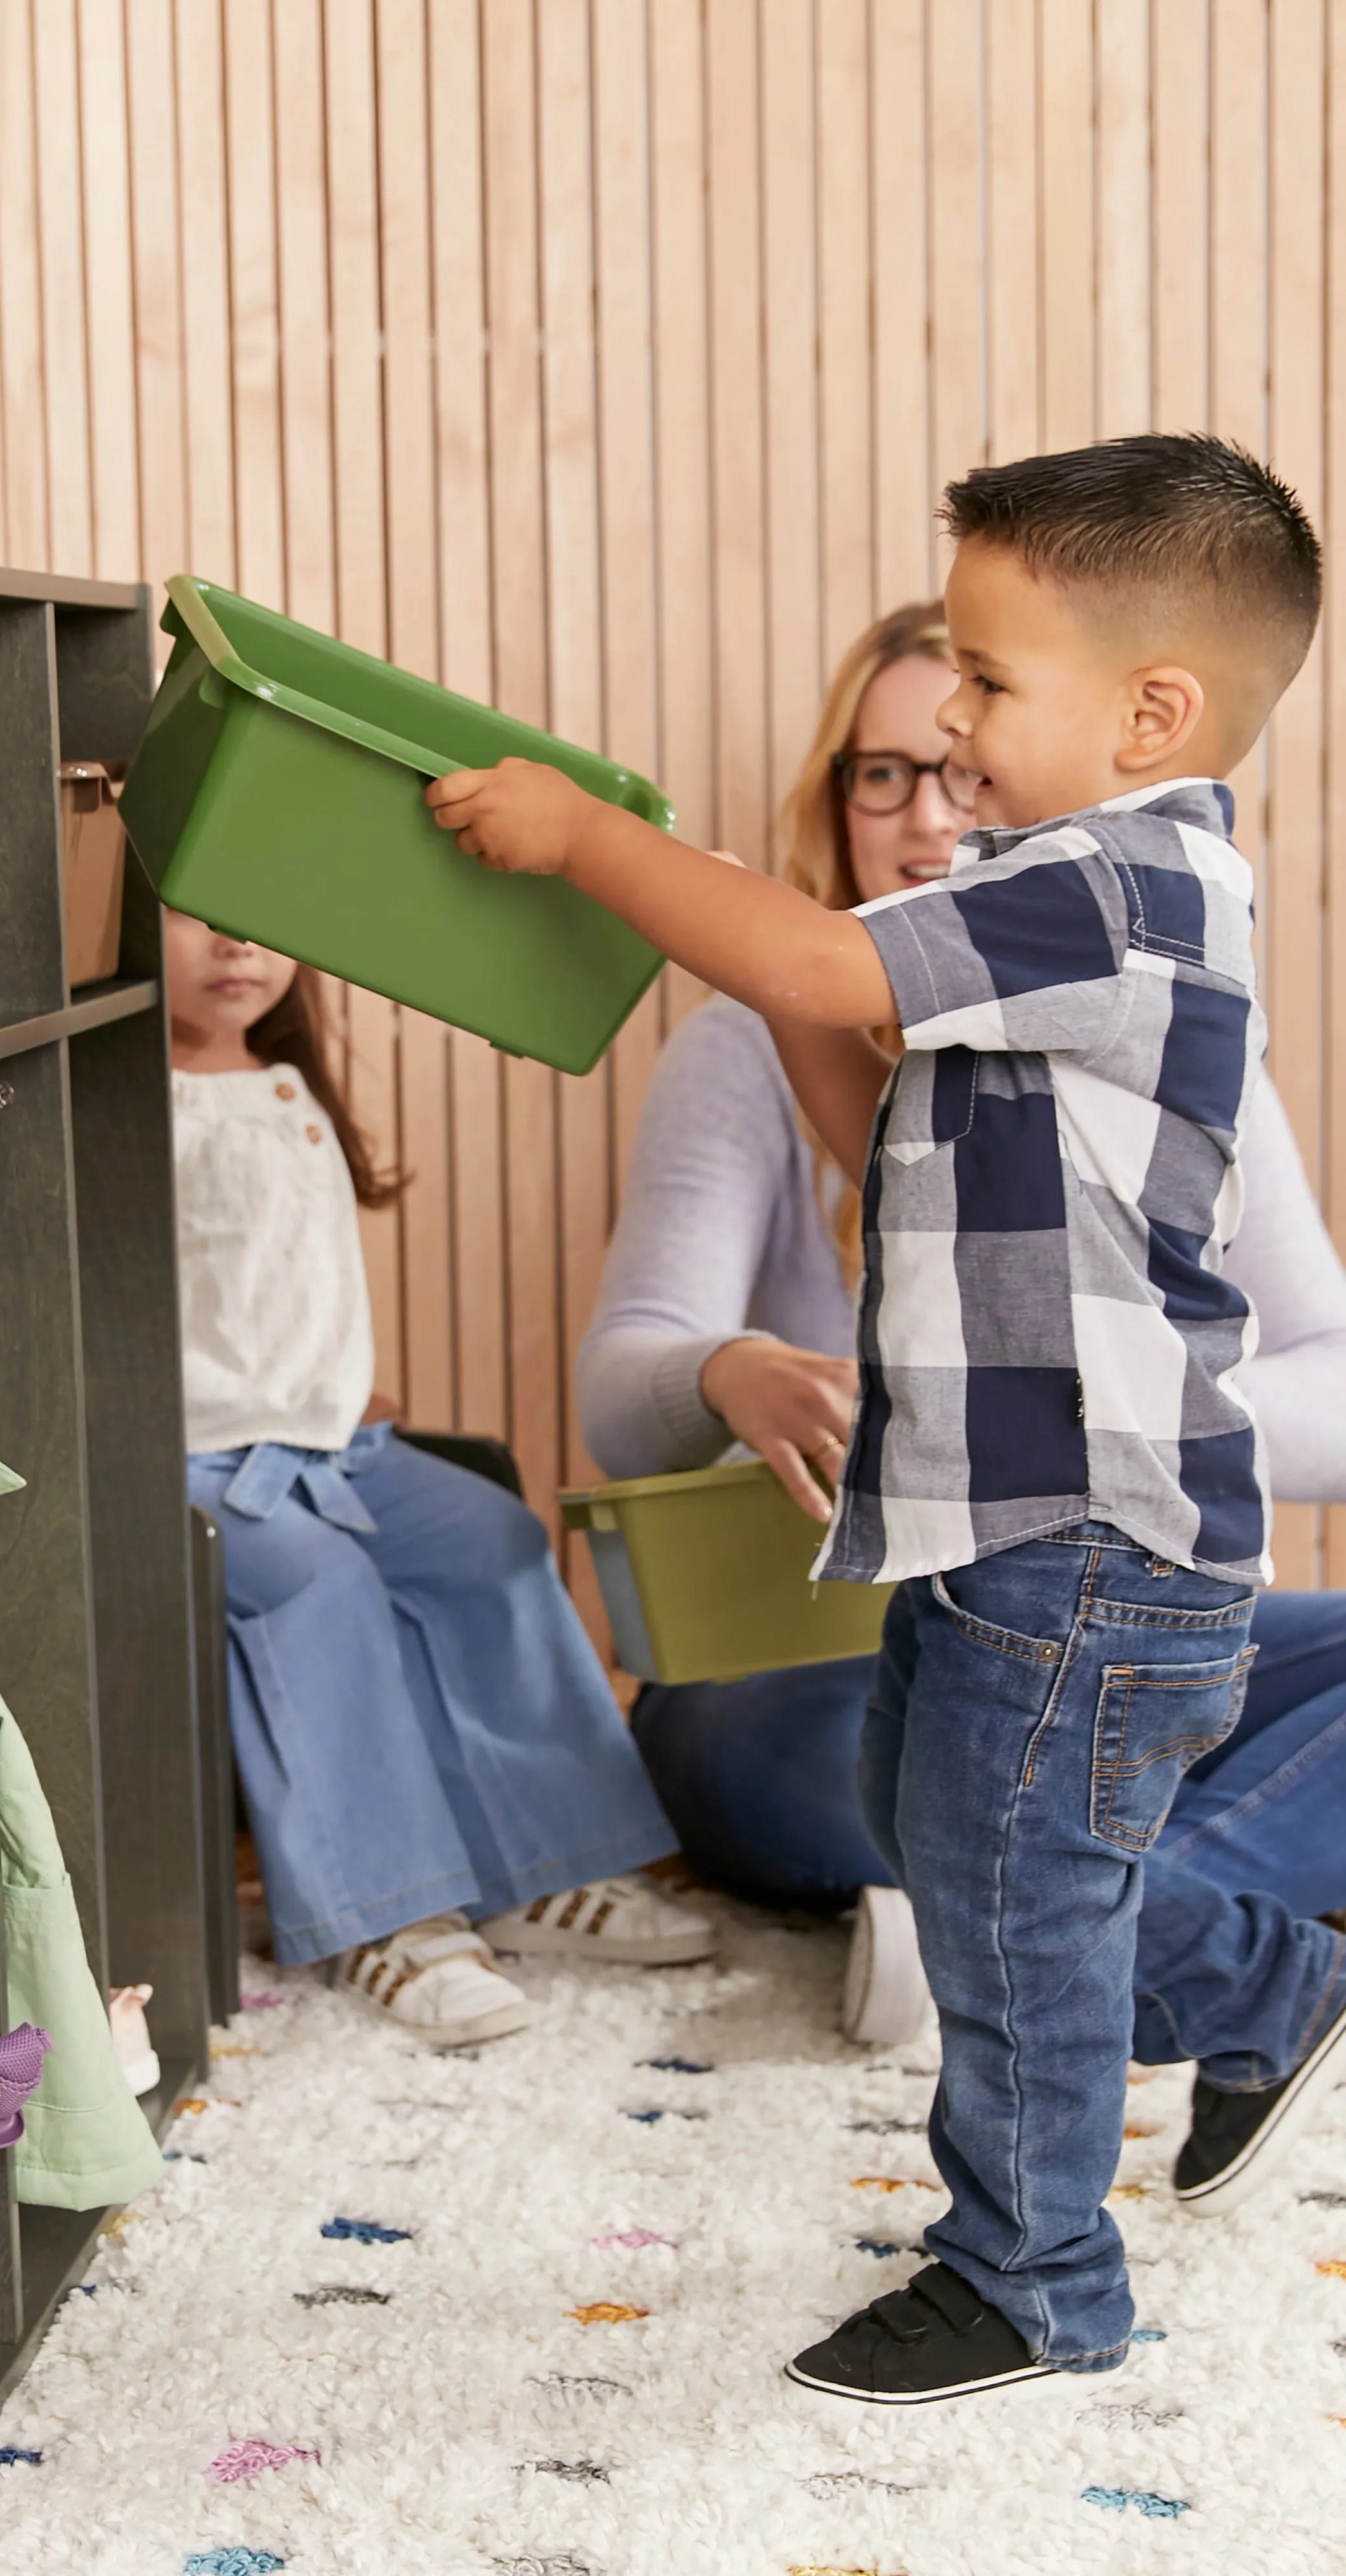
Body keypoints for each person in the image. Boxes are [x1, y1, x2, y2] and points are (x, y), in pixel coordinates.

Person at [426, 431, 1344, 2407]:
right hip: (994, 1524)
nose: (956, 744)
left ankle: (1037, 2281)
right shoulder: (1042, 900)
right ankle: (1264, 1975)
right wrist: (765, 998)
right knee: (959, 1843)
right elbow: (871, 1110)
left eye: (993, 694)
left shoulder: (1121, 887)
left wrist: (600, 847)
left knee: (1010, 1888)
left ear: (1153, 712)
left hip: (1091, 1536)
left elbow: (824, 953)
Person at [581, 598, 1346, 2059]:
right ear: (838, 799)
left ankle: (1032, 1929)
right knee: (787, 1749)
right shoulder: (762, 1029)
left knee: (1056, 1735)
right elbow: (619, 1400)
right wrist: (722, 1370)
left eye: (969, 752)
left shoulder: (1164, 1015)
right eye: (886, 771)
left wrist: (1094, 1397)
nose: (932, 805)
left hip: (1094, 1619)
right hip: (826, 1647)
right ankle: (1070, 1921)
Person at [167, 907, 717, 2050]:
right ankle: (388, 1913)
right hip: (199, 1462)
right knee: (315, 1583)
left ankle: (546, 1867)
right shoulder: (129, 1105)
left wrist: (329, 1388)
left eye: (261, 917)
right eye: (192, 915)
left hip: (329, 1442)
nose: (237, 945)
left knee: (489, 1539)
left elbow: (274, 1285)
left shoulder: (284, 1084)